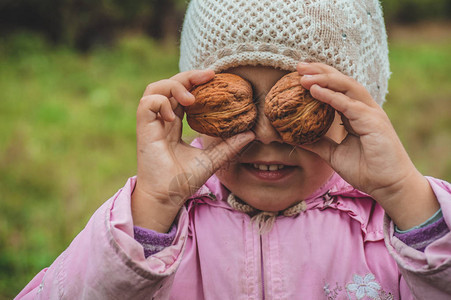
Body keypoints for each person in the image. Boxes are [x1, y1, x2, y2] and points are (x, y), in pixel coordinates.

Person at [16, 0, 451, 299]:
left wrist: (406, 195)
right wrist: (152, 207)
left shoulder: (395, 234)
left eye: (303, 104)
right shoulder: (160, 233)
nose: (265, 134)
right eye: (236, 103)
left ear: (354, 112)